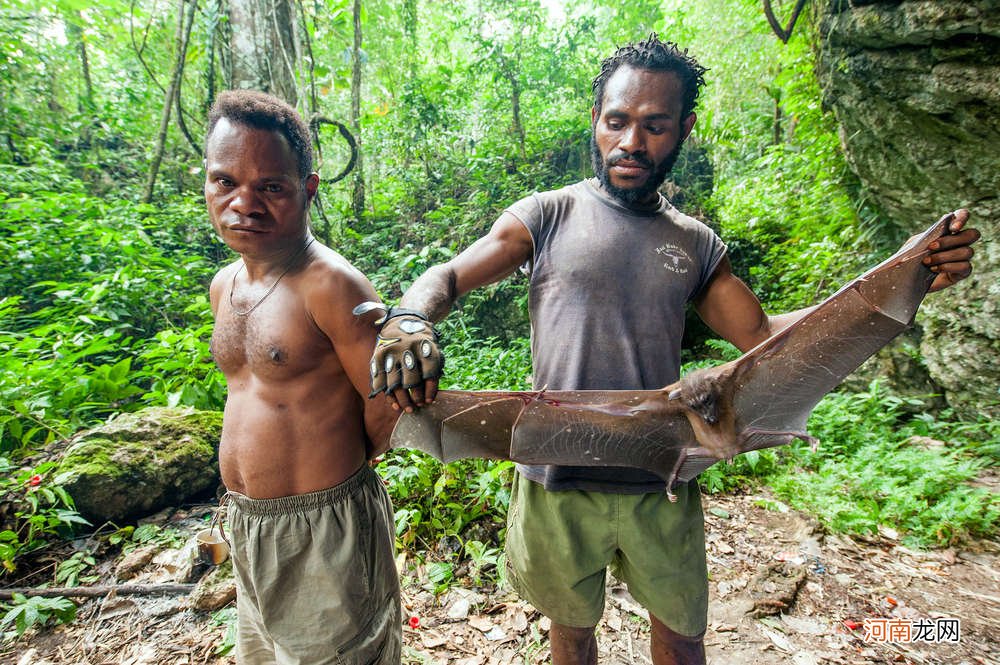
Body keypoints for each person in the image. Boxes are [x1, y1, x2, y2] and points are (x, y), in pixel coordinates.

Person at [365, 35, 980, 665]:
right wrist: (410, 317)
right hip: (555, 474)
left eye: (655, 126)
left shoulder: (693, 244)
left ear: (683, 129)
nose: (633, 141)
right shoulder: (547, 215)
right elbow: (448, 276)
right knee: (571, 635)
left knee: (682, 634)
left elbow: (764, 337)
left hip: (657, 472)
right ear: (597, 121)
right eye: (618, 121)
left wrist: (902, 277)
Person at [204, 90, 401, 664]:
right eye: (225, 182)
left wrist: (339, 467)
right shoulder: (224, 285)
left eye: (271, 186)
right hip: (247, 522)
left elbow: (384, 401)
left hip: (325, 527)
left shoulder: (332, 286)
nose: (245, 203)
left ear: (307, 189)